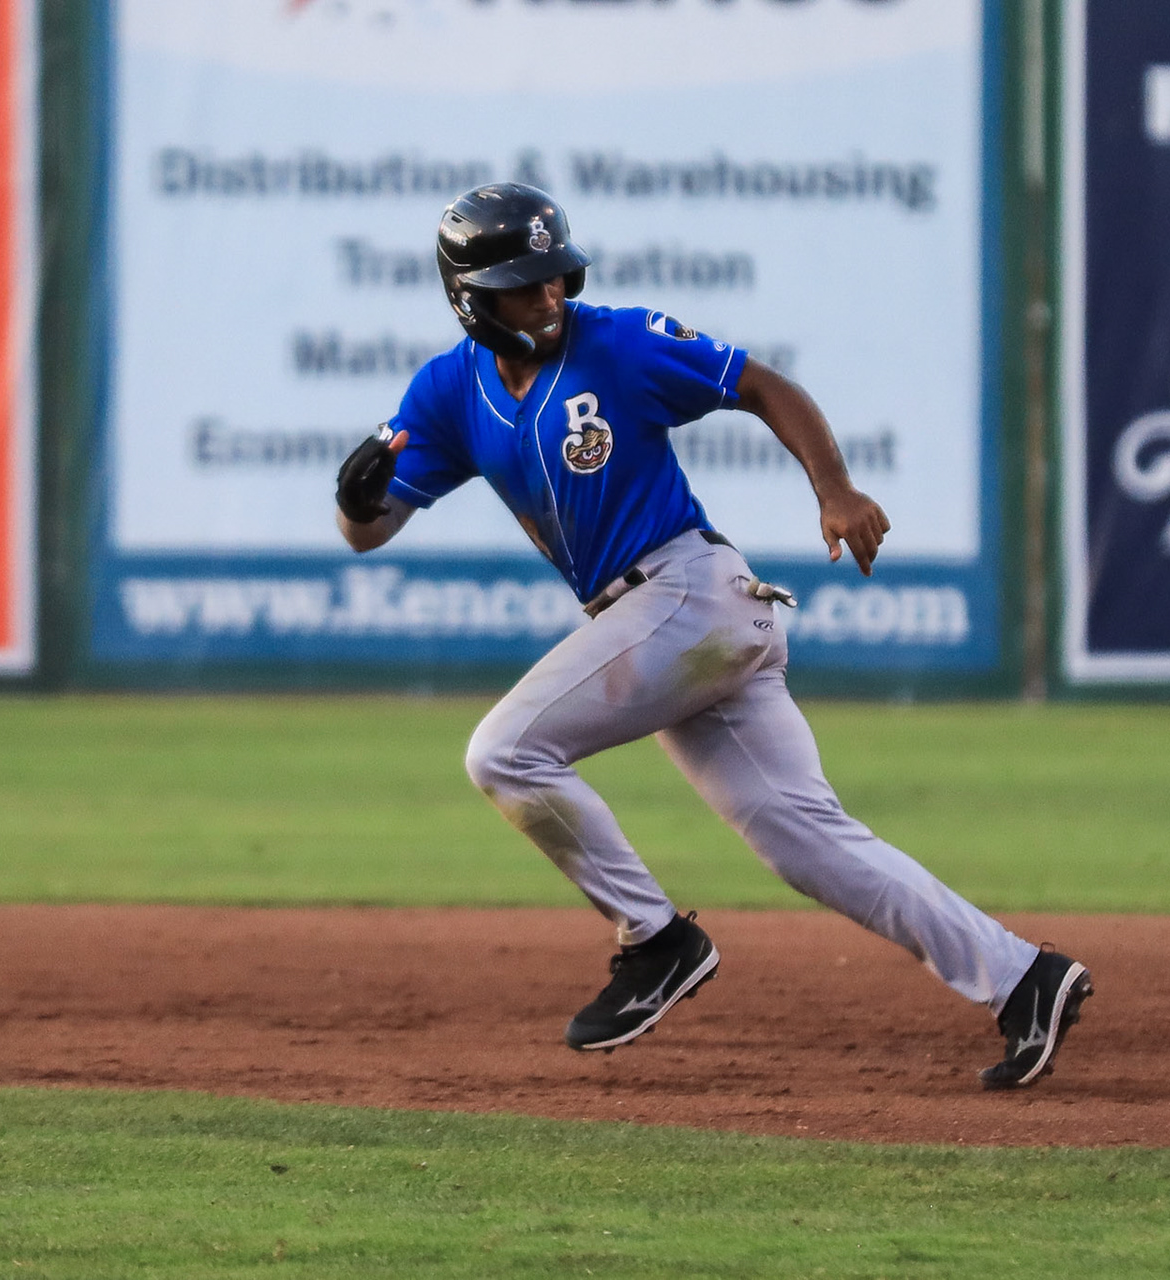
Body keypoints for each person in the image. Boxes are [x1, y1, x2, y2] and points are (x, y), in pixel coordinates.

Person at [335, 183, 1091, 1089]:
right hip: (673, 624)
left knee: (505, 753)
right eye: (525, 284)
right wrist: (356, 500)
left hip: (686, 595)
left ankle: (656, 942)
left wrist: (835, 489)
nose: (550, 294)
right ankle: (1023, 978)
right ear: (471, 299)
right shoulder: (449, 391)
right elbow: (371, 530)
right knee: (807, 842)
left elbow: (761, 385)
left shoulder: (617, 342)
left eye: (556, 274)